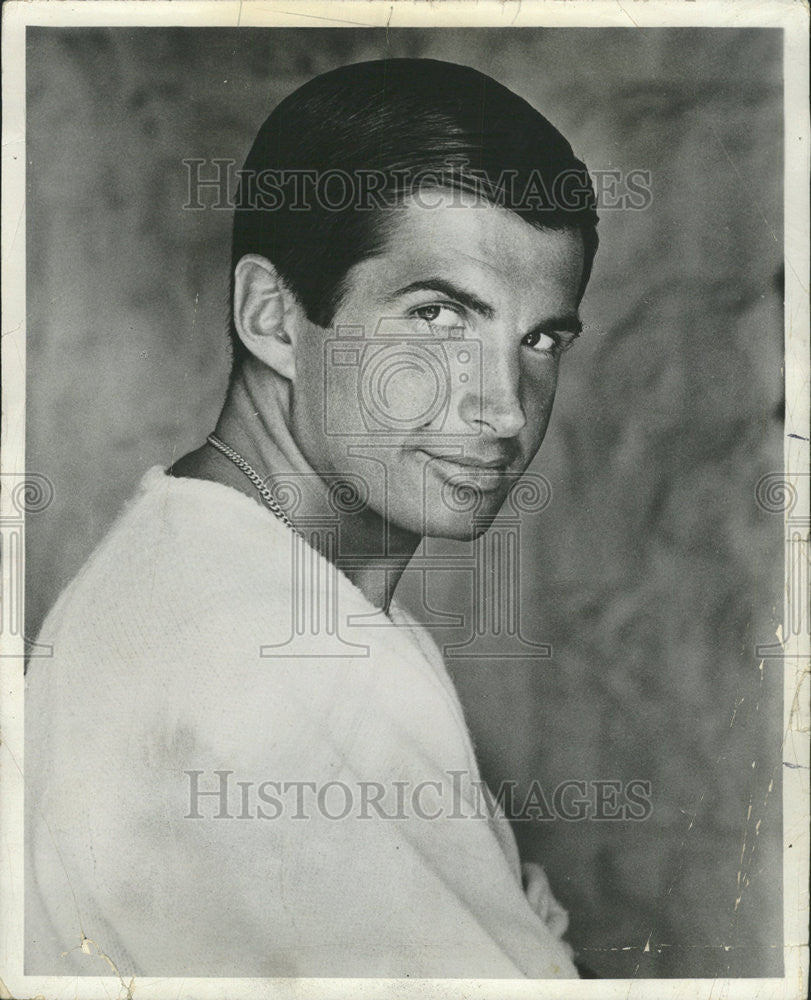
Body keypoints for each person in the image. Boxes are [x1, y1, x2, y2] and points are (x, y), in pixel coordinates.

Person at [25, 57, 598, 979]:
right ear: (274, 318)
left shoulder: (207, 566)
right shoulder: (286, 660)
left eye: (539, 339)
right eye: (440, 316)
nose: (502, 408)